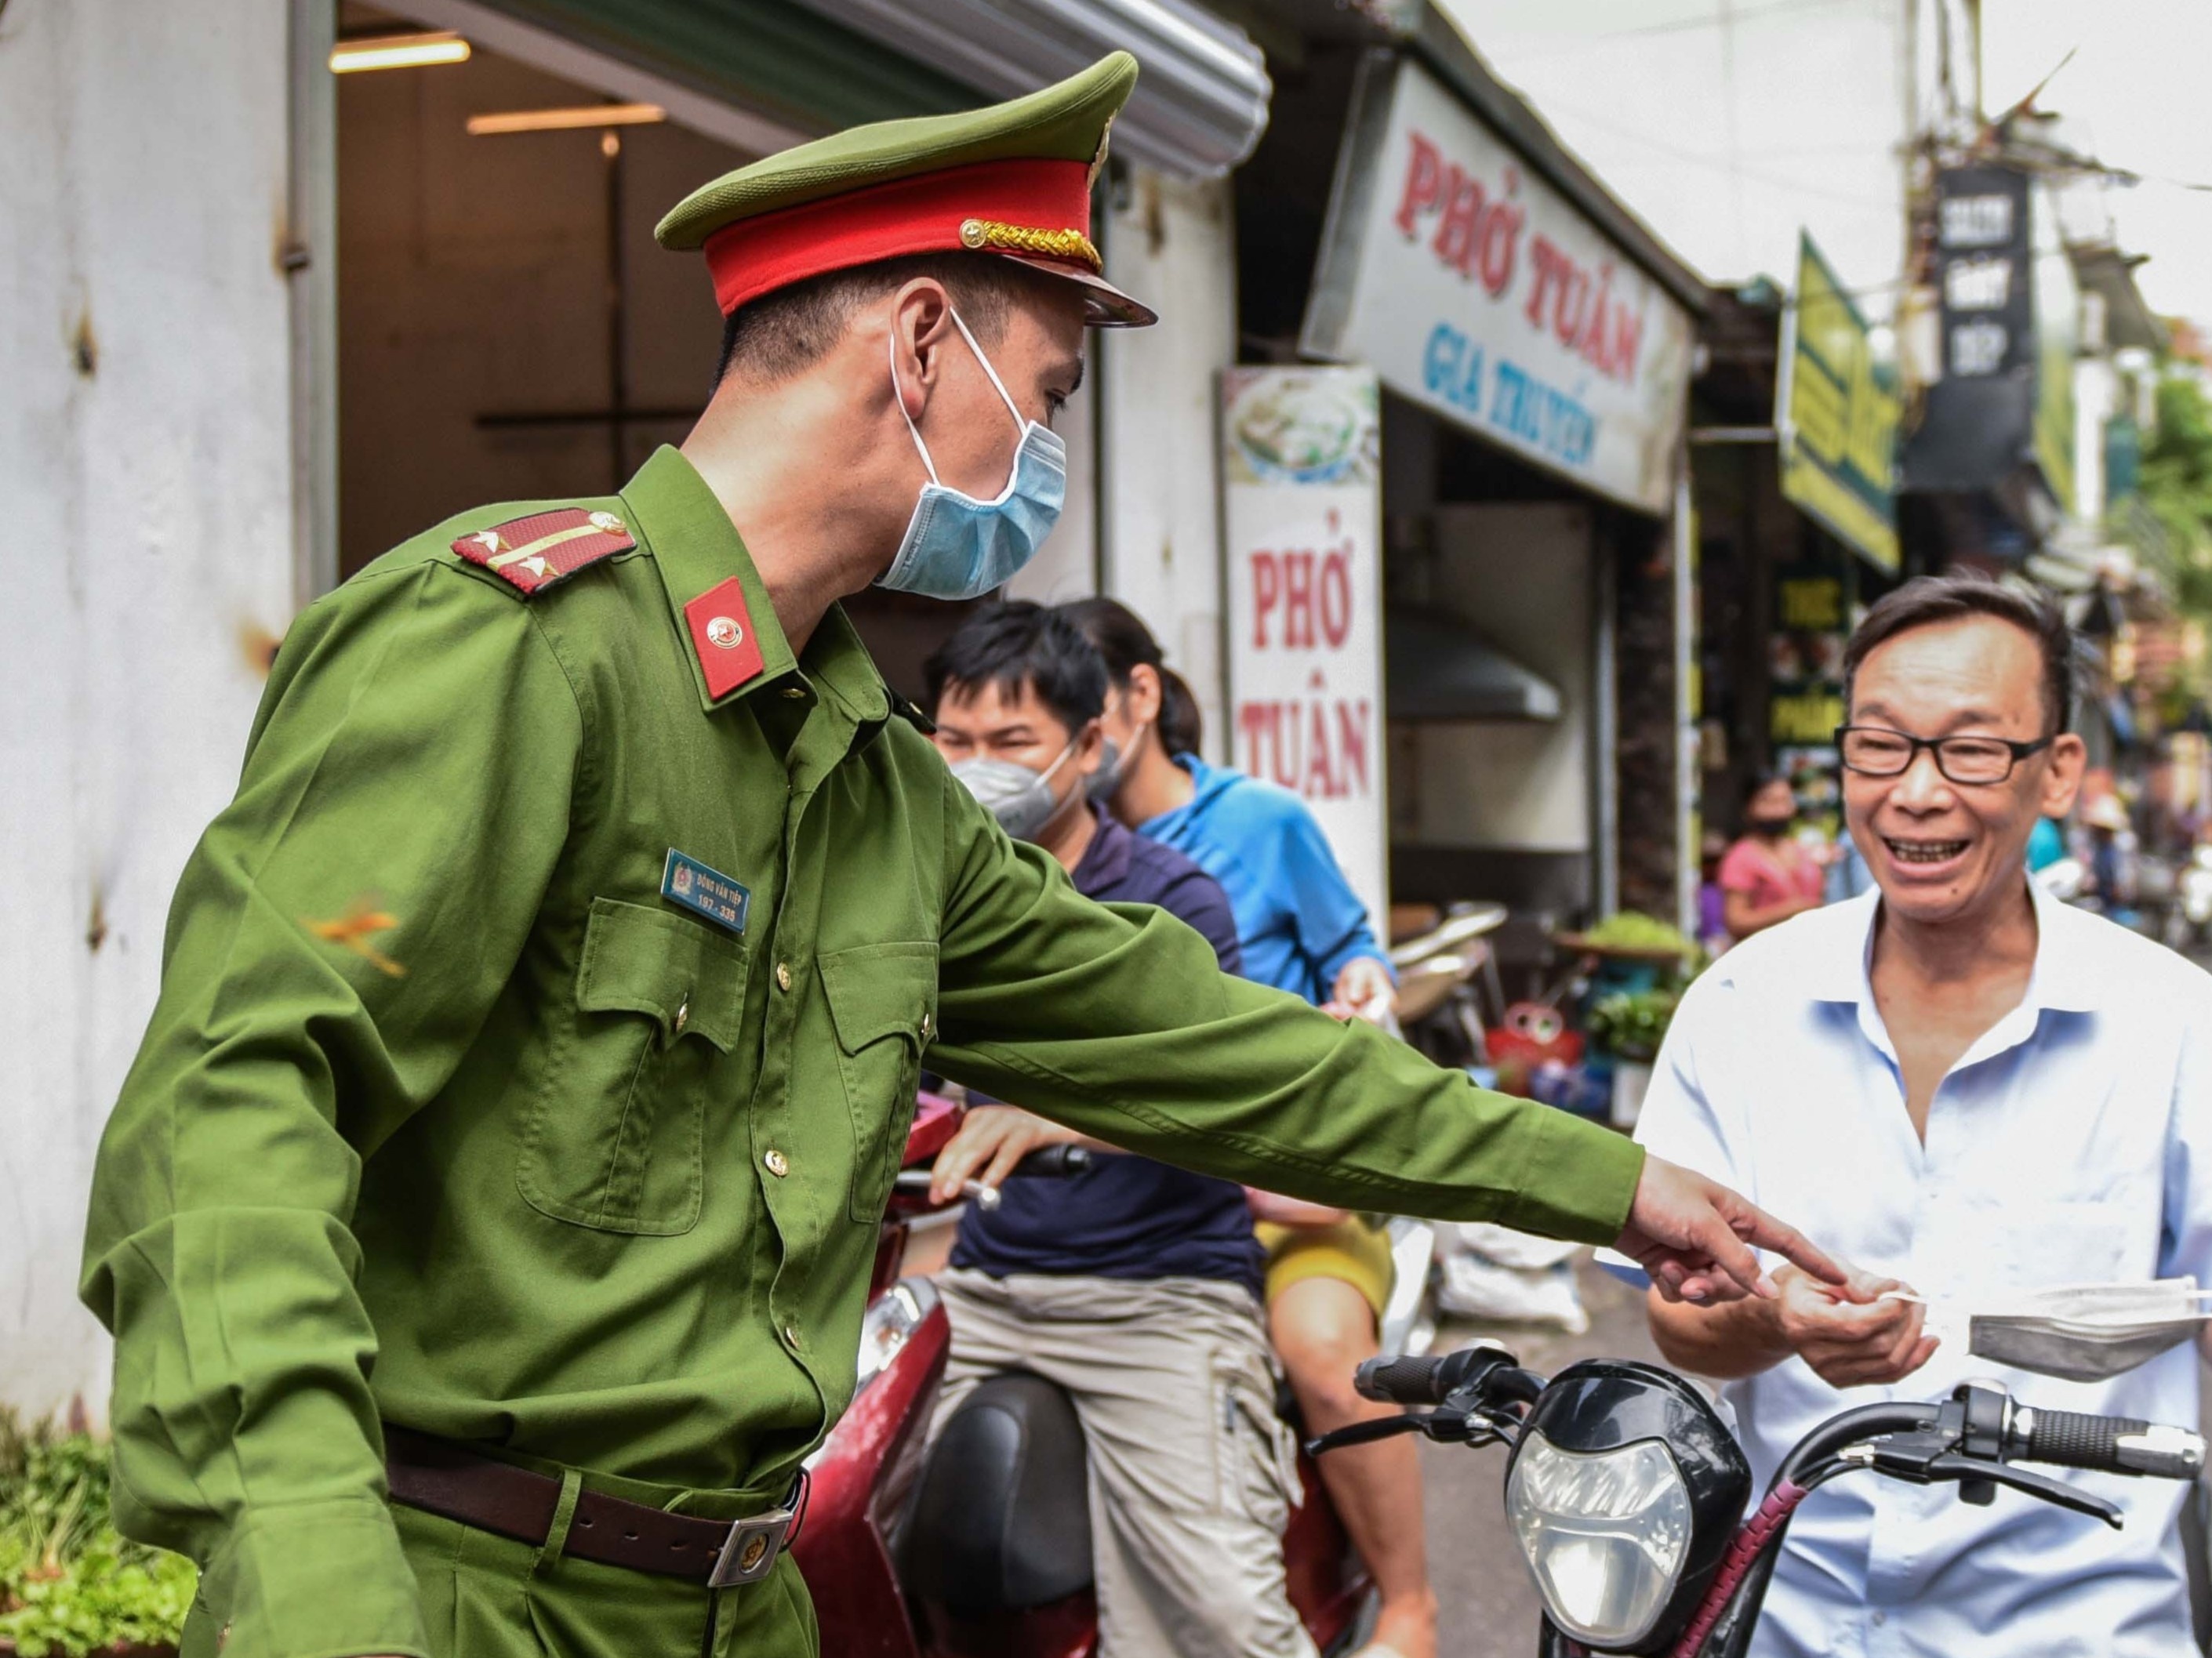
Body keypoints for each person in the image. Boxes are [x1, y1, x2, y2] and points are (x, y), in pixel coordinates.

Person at [76, 56, 1840, 1658]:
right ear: (920, 345)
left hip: (741, 1597)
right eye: (1049, 392)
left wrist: (1617, 1186)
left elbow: (1215, 1046)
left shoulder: (877, 788)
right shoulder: (514, 651)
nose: (1048, 454)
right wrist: (310, 1584)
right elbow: (232, 1112)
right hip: (456, 1596)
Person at [1610, 575, 2212, 1658]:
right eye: (1880, 747)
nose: (1916, 793)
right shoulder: (1739, 1003)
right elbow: (1678, 1318)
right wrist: (1779, 1320)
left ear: (2058, 770)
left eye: (1970, 750)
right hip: (1789, 1616)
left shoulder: (2175, 1018)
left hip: (2081, 1627)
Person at [910, 603, 1306, 1658]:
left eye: (1010, 742)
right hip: (986, 1291)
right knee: (828, 1513)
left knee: (1222, 1617)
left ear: (1090, 745)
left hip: (1159, 1297)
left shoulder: (1172, 900)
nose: (976, 768)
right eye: (953, 740)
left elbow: (1223, 1092)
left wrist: (1049, 1116)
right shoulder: (921, 895)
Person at [1057, 595, 1434, 1658]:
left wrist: (1362, 986)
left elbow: (1355, 948)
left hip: (1279, 1186)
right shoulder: (1049, 844)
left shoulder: (1261, 822)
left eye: (1078, 703)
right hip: (1124, 1190)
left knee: (1322, 1355)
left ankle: (1410, 1604)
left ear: (1138, 696)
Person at [1719, 774, 1824, 941]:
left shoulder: (1800, 850)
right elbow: (1736, 921)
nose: (1779, 811)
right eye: (1769, 802)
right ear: (1749, 806)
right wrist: (1791, 910)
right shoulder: (1741, 858)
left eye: (1785, 801)